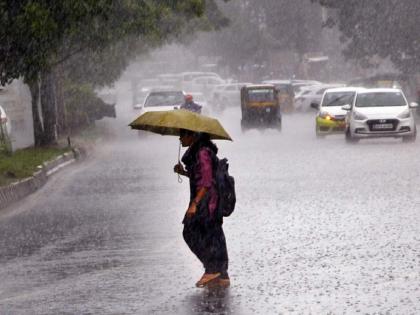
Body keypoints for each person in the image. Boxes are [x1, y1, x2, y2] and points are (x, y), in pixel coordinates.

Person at [174, 129, 230, 288]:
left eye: (182, 135)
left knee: (190, 232)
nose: (180, 139)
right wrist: (183, 172)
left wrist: (194, 204)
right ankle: (222, 274)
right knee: (213, 236)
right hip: (208, 200)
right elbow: (199, 177)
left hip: (208, 202)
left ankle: (212, 269)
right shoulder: (199, 151)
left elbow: (206, 182)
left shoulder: (202, 153)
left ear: (192, 136)